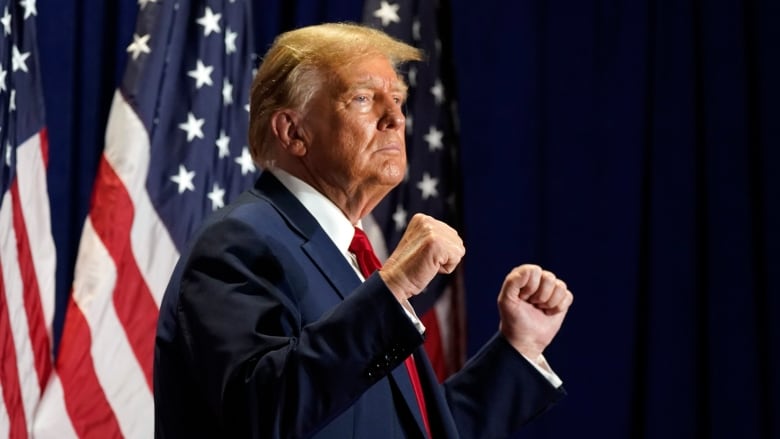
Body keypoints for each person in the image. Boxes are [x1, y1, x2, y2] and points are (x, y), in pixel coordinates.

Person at [154, 22, 574, 439]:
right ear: (293, 131)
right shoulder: (240, 241)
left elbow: (408, 428)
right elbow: (262, 412)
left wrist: (518, 349)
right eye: (362, 99)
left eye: (397, 100)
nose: (394, 118)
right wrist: (393, 287)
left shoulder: (348, 256)